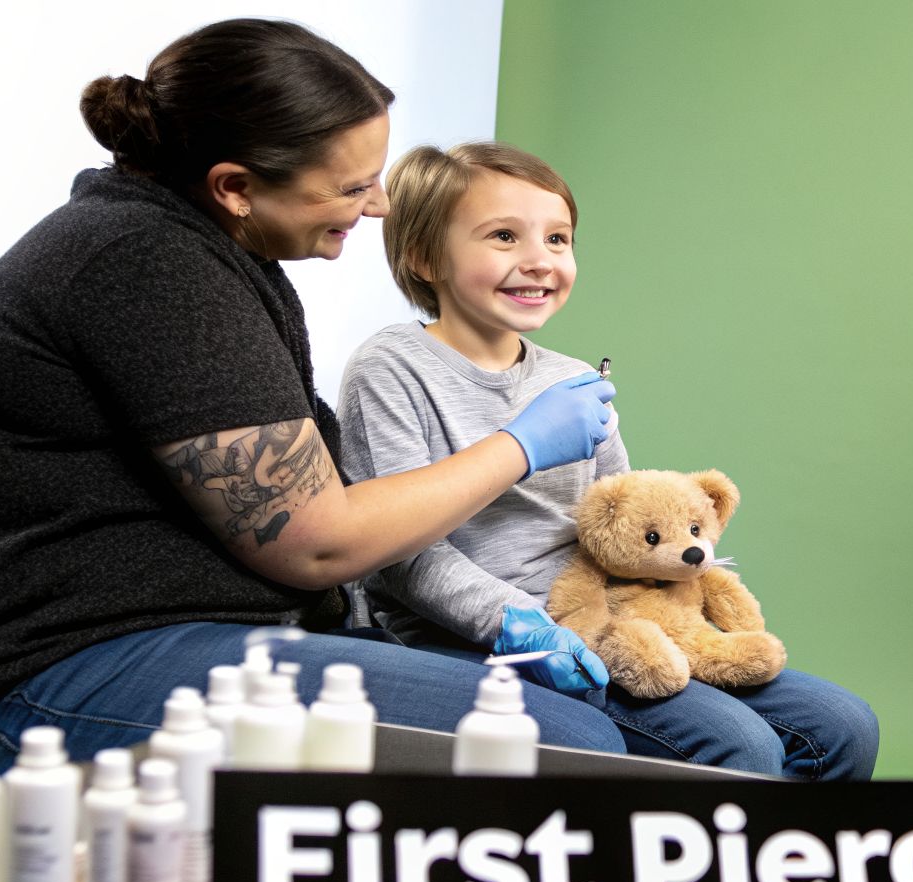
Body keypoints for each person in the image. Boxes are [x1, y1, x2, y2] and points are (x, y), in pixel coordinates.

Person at [0, 20, 625, 772]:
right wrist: (521, 445)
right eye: (353, 185)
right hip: (38, 672)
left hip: (200, 636)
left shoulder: (218, 257)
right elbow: (319, 540)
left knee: (695, 725)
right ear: (234, 187)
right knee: (558, 744)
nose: (380, 207)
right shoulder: (145, 264)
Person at [337, 142, 879, 780]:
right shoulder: (391, 371)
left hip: (607, 616)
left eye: (559, 239)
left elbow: (618, 531)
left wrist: (681, 602)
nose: (540, 261)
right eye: (505, 237)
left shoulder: (570, 383)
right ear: (423, 257)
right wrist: (519, 622)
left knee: (843, 727)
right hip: (465, 634)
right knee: (739, 747)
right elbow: (397, 551)